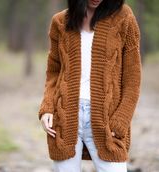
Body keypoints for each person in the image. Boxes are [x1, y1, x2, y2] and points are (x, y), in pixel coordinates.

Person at [38, 0, 142, 171]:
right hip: (65, 117)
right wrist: (47, 108)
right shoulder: (60, 21)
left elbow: (133, 79)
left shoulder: (124, 17)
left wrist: (121, 119)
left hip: (107, 119)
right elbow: (54, 72)